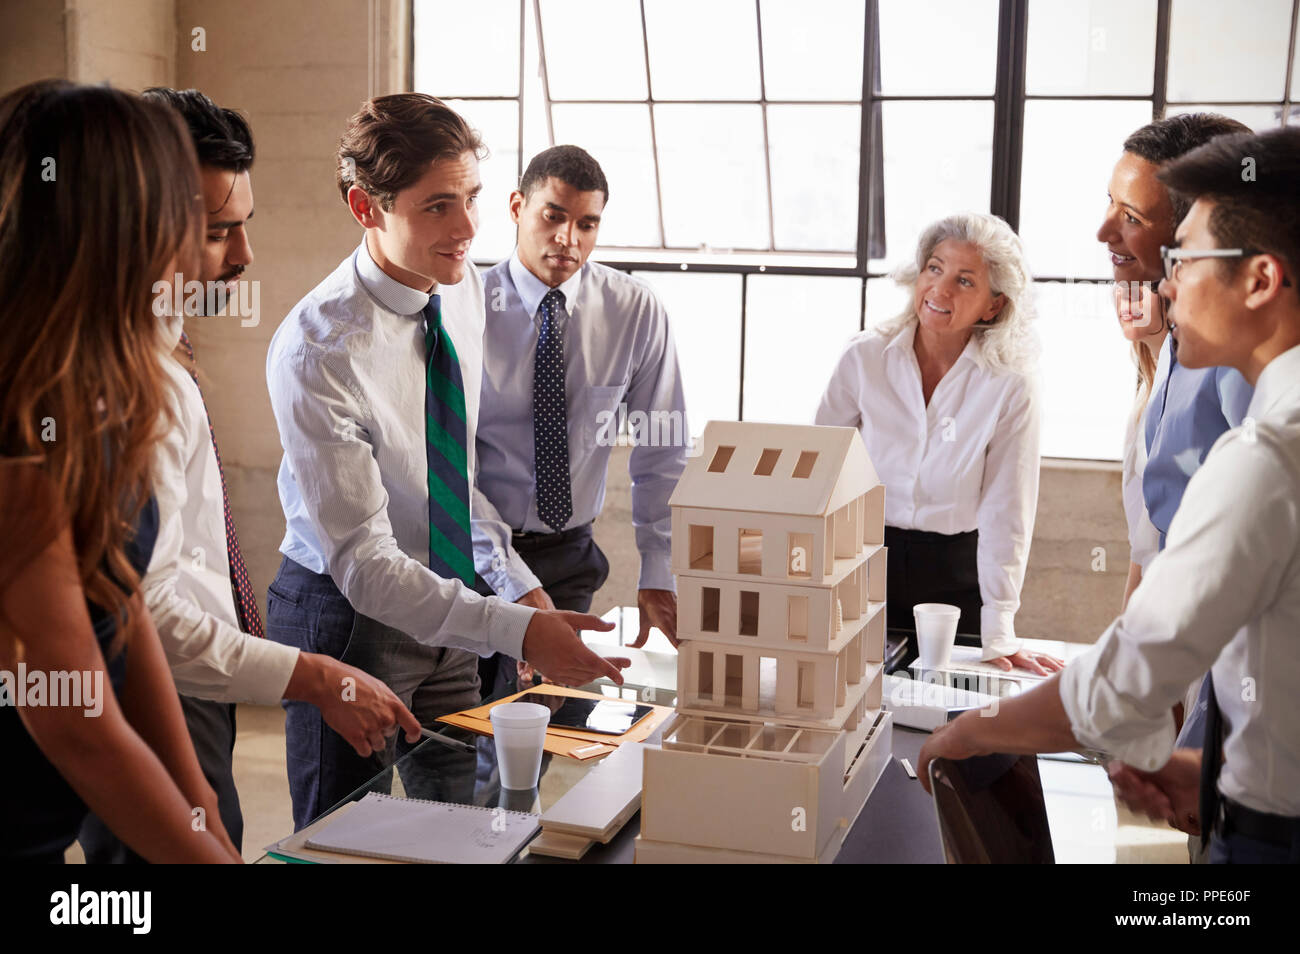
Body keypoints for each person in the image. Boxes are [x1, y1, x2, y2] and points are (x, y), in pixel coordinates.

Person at [919, 127, 1300, 865]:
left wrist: (971, 731)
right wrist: (1222, 776)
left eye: (1184, 258)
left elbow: (1120, 687)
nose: (1163, 282)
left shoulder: (1265, 461)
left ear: (1258, 280)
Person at [265, 94, 627, 829]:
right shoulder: (318, 347)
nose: (467, 230)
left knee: (454, 826)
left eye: (471, 200)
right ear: (365, 207)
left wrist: (517, 592)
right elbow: (365, 566)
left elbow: (453, 483)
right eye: (437, 207)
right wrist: (517, 631)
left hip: (446, 604)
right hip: (347, 619)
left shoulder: (455, 296)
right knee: (345, 835)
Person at [79, 88, 421, 862]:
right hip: (160, 688)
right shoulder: (126, 387)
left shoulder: (166, 347)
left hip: (194, 684)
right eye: (218, 232)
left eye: (246, 224)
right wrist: (313, 677)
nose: (244, 256)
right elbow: (146, 615)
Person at [0, 80, 239, 863]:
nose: (196, 246)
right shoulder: (17, 430)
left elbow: (122, 593)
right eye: (183, 214)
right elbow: (74, 722)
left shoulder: (99, 385)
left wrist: (197, 802)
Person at [474, 145, 688, 695]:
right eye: (553, 216)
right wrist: (512, 581)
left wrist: (657, 570)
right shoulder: (464, 305)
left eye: (587, 224)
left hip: (568, 559)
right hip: (468, 553)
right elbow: (444, 463)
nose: (569, 239)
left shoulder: (634, 310)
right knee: (466, 728)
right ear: (518, 206)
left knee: (540, 728)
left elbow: (661, 448)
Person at [815, 212, 1061, 674]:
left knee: (950, 722)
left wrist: (1000, 630)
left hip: (955, 578)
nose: (940, 290)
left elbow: (1007, 510)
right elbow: (820, 474)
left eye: (965, 280)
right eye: (935, 268)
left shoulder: (1011, 385)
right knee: (852, 710)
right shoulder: (863, 358)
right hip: (861, 564)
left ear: (993, 305)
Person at [1096, 113, 1251, 610]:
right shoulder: (1167, 346)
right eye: (1110, 204)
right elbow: (1151, 536)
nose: (1104, 231)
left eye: (1132, 218)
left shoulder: (1238, 362)